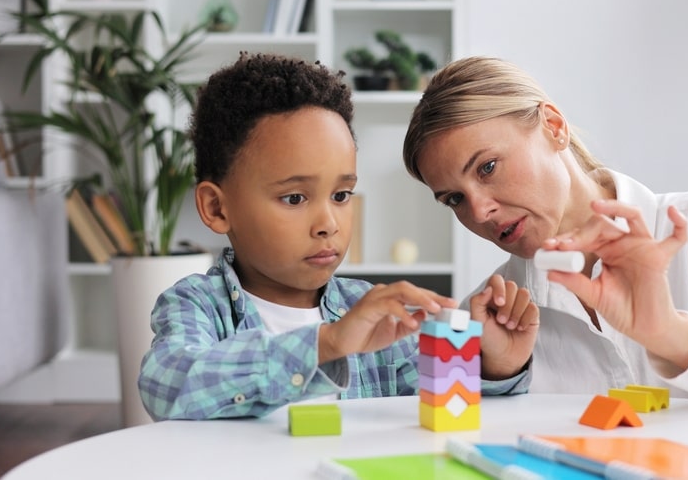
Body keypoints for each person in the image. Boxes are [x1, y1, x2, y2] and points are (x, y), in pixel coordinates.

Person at [402, 56, 688, 412]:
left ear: (553, 127)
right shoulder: (488, 313)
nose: (480, 211)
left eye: (488, 167)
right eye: (454, 199)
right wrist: (499, 375)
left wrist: (672, 335)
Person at [138, 53, 536, 421]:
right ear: (217, 208)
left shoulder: (369, 310)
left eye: (341, 195)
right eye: (294, 197)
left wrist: (497, 365)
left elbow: (447, 410)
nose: (328, 223)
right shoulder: (197, 305)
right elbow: (168, 385)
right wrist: (325, 344)